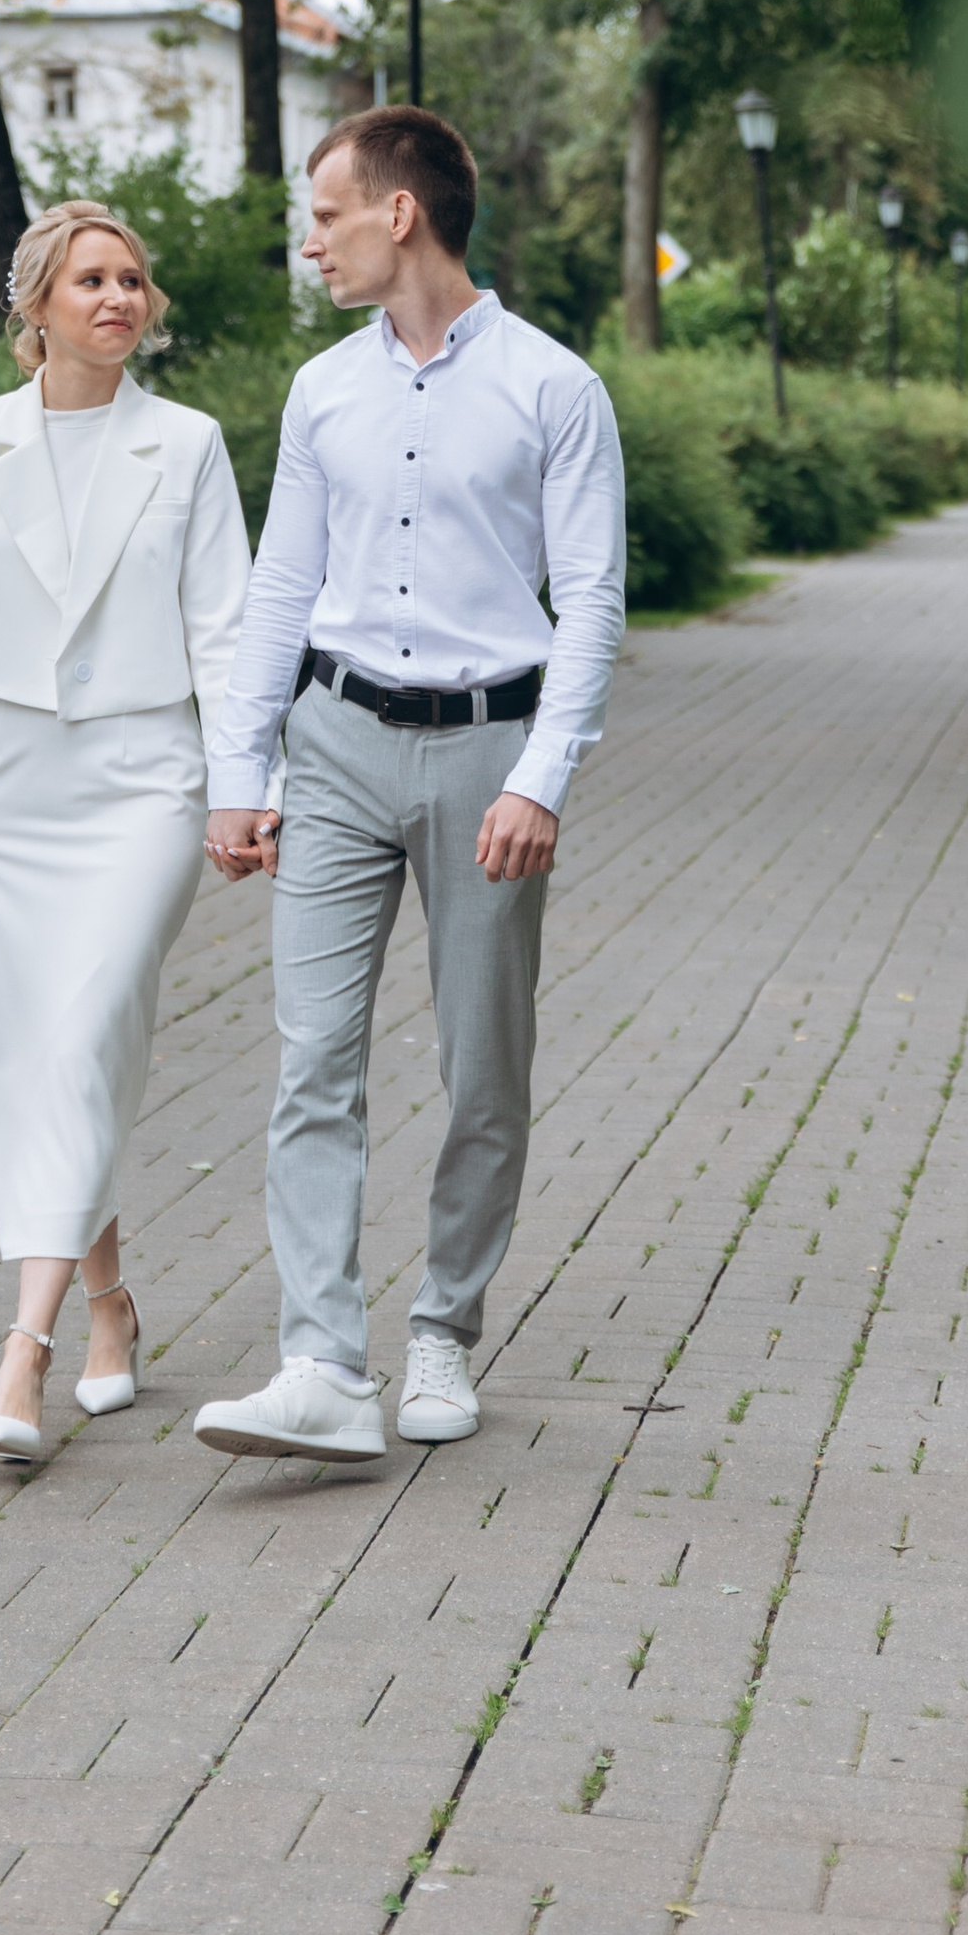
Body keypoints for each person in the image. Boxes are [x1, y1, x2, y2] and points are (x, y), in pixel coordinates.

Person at [196, 106, 626, 1464]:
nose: (308, 241)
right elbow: (280, 585)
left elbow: (596, 602)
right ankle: (322, 1360)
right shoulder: (324, 389)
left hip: (493, 756)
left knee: (482, 1065)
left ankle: (443, 1323)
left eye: (324, 213)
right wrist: (240, 764)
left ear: (399, 213)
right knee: (313, 1056)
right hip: (333, 748)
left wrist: (542, 777)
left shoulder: (554, 387)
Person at [0, 200, 253, 1463]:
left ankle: (18, 1354)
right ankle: (105, 1305)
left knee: (87, 1030)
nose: (119, 299)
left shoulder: (187, 445)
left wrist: (248, 786)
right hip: (14, 786)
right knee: (39, 1054)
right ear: (35, 308)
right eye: (91, 280)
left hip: (149, 777)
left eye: (134, 280)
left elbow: (227, 628)